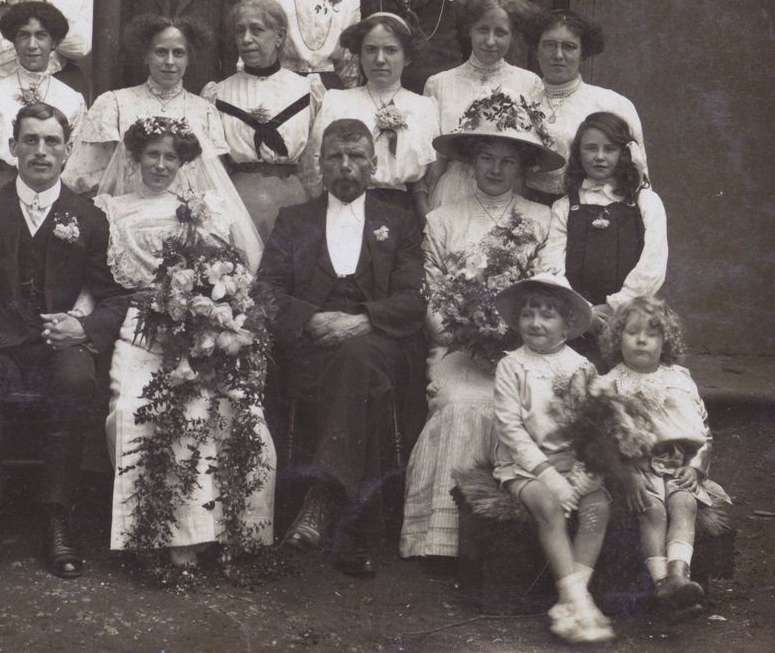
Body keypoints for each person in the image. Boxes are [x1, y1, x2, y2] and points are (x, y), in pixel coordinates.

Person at [0, 103, 128, 582]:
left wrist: (83, 330)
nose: (41, 151)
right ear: (12, 149)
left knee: (76, 378)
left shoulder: (87, 217)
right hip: (0, 343)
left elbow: (114, 297)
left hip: (58, 341)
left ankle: (57, 514)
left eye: (52, 142)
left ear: (67, 152)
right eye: (30, 140)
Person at [100, 117, 276, 566]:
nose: (160, 165)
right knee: (136, 409)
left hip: (204, 325)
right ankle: (158, 535)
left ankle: (231, 533)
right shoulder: (110, 209)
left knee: (230, 406)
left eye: (170, 157)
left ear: (184, 163)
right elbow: (97, 281)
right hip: (141, 326)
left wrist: (217, 317)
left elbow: (233, 272)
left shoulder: (207, 207)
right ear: (136, 157)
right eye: (152, 155)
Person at [257, 118, 425, 577]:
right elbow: (266, 290)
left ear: (374, 166)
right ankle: (351, 529)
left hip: (379, 343)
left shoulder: (400, 222)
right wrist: (310, 318)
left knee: (359, 360)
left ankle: (321, 499)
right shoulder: (295, 220)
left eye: (356, 158)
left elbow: (414, 298)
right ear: (319, 165)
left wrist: (363, 319)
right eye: (335, 157)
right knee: (358, 374)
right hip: (311, 344)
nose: (346, 167)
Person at [400, 95, 563, 558]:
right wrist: (462, 332)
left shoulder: (543, 219)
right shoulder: (442, 220)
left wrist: (514, 335)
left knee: (532, 401)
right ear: (471, 161)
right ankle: (445, 539)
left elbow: (549, 286)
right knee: (459, 402)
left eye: (508, 160)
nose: (495, 169)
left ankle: (520, 545)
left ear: (524, 166)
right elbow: (430, 293)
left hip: (526, 349)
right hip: (459, 348)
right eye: (486, 158)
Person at [62, 13, 264, 269]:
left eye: (178, 53)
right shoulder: (113, 103)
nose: (170, 62)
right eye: (160, 52)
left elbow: (212, 187)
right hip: (125, 233)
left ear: (189, 58)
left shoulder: (204, 110)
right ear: (145, 56)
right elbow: (83, 179)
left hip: (187, 239)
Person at [492, 274, 613, 644]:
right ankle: (582, 602)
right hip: (524, 463)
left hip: (572, 462)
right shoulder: (511, 366)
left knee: (598, 509)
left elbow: (591, 429)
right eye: (528, 314)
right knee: (547, 506)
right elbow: (511, 429)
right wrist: (548, 475)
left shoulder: (582, 368)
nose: (535, 323)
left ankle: (567, 603)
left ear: (567, 325)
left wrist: (579, 473)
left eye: (547, 316)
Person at [597, 297, 731, 623]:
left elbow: (703, 431)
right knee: (651, 509)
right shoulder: (610, 382)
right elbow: (600, 439)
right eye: (632, 332)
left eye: (652, 334)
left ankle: (678, 574)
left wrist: (695, 468)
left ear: (665, 341)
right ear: (618, 339)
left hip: (677, 466)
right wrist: (624, 473)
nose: (642, 339)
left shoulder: (680, 379)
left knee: (684, 503)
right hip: (636, 469)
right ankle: (661, 583)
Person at [544, 112, 667, 360]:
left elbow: (653, 264)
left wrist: (616, 306)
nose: (599, 157)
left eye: (609, 149)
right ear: (579, 153)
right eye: (591, 148)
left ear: (623, 153)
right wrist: (584, 312)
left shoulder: (645, 201)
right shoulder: (565, 206)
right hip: (576, 322)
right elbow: (550, 267)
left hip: (631, 320)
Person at [423, 0, 542, 210]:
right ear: (469, 30)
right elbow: (434, 158)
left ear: (514, 35)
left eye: (500, 32)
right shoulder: (439, 84)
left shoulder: (530, 83)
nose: (490, 41)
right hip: (453, 191)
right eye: (482, 30)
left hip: (507, 192)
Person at [311, 13, 439, 216]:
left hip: (403, 211)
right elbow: (314, 163)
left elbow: (431, 173)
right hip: (343, 206)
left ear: (407, 57)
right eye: (370, 50)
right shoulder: (336, 101)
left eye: (390, 50)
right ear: (360, 56)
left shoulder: (424, 107)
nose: (380, 59)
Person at [213, 0, 319, 242]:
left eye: (257, 30)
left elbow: (314, 159)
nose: (246, 39)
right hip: (238, 203)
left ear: (279, 36)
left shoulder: (306, 91)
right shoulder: (219, 93)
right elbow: (215, 164)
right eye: (240, 31)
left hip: (293, 200)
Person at [0, 1, 87, 196]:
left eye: (41, 36)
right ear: (14, 41)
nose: (32, 45)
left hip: (54, 197)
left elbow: (76, 164)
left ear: (54, 42)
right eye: (23, 35)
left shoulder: (73, 99)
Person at [525, 9, 648, 202]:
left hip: (592, 212)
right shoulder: (520, 102)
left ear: (583, 54)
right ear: (536, 51)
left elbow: (638, 172)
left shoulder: (611, 103)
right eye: (549, 45)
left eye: (569, 46)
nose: (558, 55)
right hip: (530, 208)